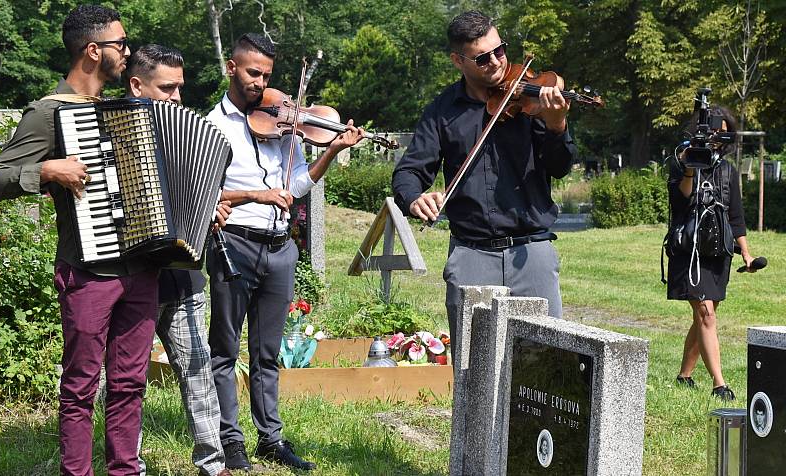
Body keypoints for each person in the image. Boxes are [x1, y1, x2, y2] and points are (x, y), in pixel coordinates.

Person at [0, 5, 158, 474]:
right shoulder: (48, 113)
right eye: (121, 44)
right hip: (88, 272)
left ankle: (124, 469)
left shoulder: (122, 111)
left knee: (130, 383)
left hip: (141, 269)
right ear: (93, 50)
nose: (128, 52)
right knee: (81, 385)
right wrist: (44, 170)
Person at [205, 32, 364, 471]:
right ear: (231, 68)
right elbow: (204, 193)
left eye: (268, 75)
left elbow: (293, 189)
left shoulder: (282, 127)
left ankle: (270, 439)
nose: (261, 84)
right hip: (233, 244)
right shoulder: (210, 127)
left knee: (267, 352)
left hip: (279, 248)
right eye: (254, 73)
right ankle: (229, 439)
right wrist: (257, 194)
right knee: (224, 348)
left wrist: (331, 150)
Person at [391, 10, 576, 350]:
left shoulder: (533, 98)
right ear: (458, 61)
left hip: (531, 251)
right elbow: (408, 172)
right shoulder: (442, 110)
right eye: (482, 57)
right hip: (471, 253)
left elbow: (560, 166)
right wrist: (415, 198)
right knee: (471, 367)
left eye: (500, 50)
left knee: (543, 364)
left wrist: (557, 125)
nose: (496, 62)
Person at [124, 44, 232, 476]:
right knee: (127, 380)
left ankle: (212, 462)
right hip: (131, 277)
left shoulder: (189, 131)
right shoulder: (111, 130)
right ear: (136, 84)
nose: (175, 98)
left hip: (183, 275)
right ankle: (128, 462)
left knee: (198, 370)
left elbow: (202, 192)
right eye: (166, 88)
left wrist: (210, 212)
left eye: (179, 89)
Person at [669, 106, 755, 401]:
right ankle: (720, 384)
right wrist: (692, 166)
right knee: (705, 313)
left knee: (705, 315)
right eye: (711, 132)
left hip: (718, 251)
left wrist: (745, 253)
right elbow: (680, 199)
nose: (715, 139)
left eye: (721, 133)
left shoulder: (728, 171)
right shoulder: (682, 160)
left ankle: (684, 375)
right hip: (690, 250)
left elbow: (736, 216)